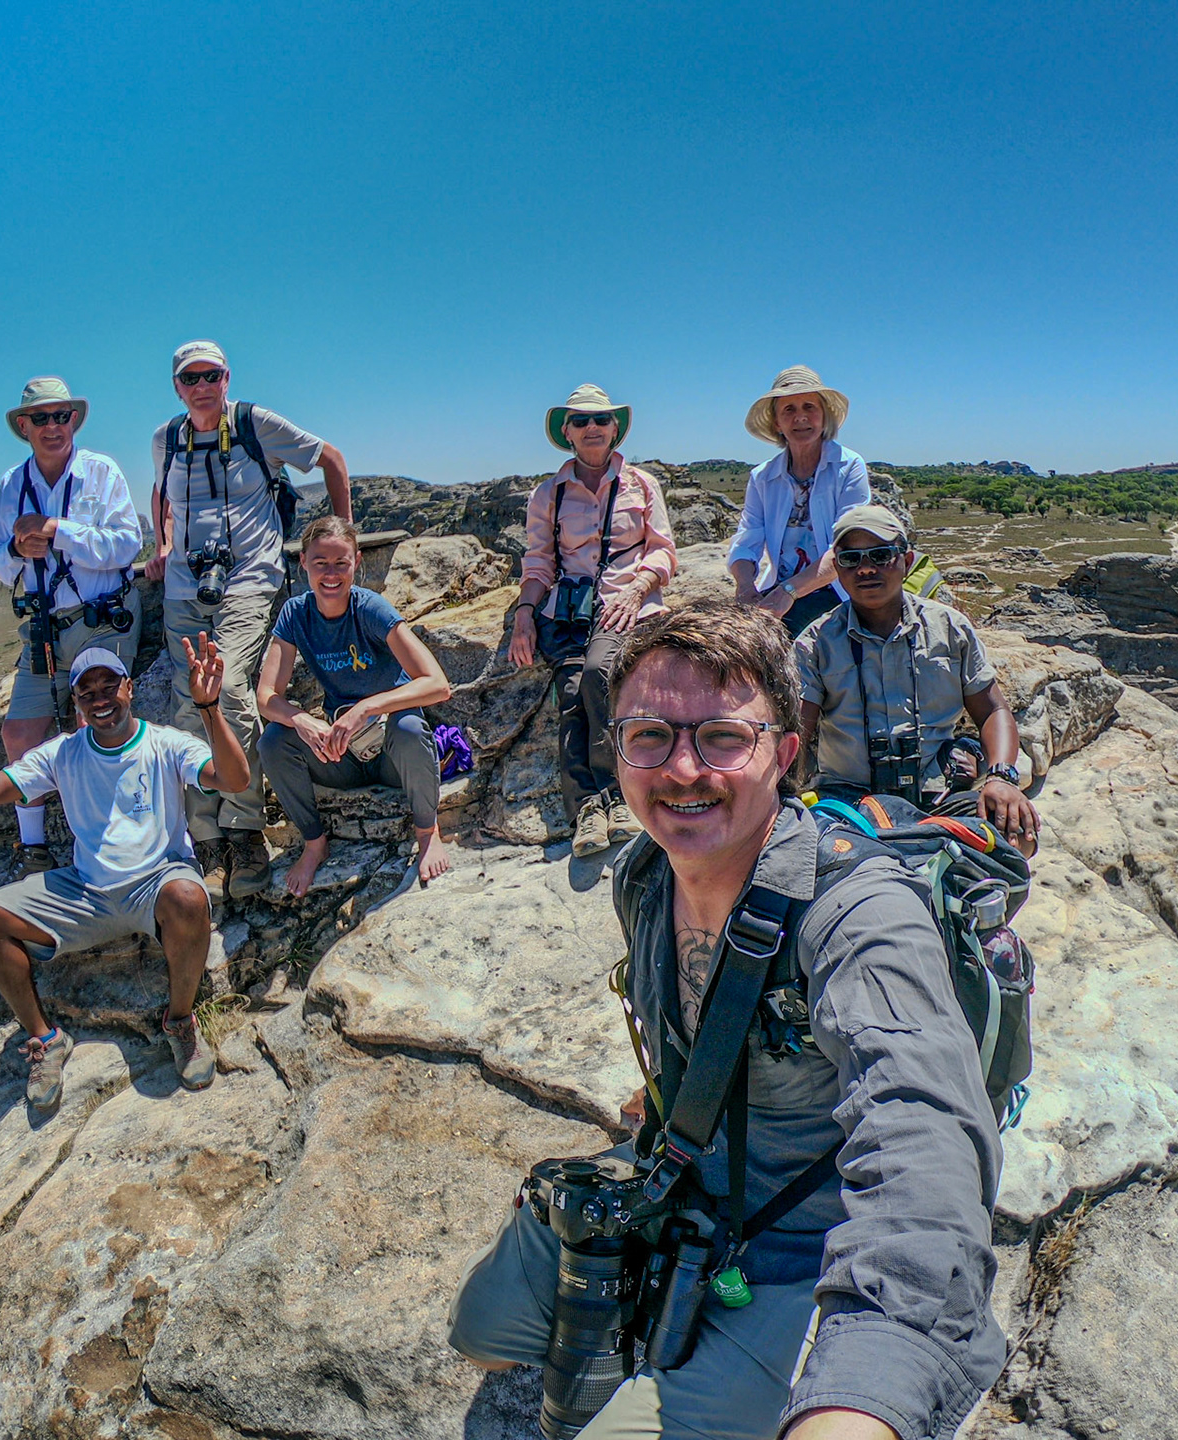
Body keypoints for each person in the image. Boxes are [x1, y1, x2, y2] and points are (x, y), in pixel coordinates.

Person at [448, 599, 1006, 1440]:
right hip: (678, 1178)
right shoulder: (644, 873)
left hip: (795, 1247)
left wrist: (866, 1392)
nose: (681, 770)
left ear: (784, 754)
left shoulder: (858, 914)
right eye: (649, 736)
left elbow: (923, 1128)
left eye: (721, 738)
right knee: (483, 1335)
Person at [0, 639, 250, 1108]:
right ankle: (45, 1040)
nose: (101, 699)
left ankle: (180, 1022)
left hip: (156, 884)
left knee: (188, 898)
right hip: (86, 891)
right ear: (77, 704)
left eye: (110, 685)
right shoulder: (62, 754)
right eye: (88, 693)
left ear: (129, 687)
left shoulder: (164, 743)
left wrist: (209, 708)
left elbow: (236, 780)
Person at [142, 340, 355, 903]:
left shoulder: (256, 423)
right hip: (186, 587)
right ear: (177, 387)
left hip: (249, 578)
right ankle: (206, 837)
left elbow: (330, 458)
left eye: (211, 375)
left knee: (231, 687)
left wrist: (343, 537)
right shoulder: (167, 438)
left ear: (227, 378)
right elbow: (162, 492)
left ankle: (244, 831)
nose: (201, 386)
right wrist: (163, 543)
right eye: (190, 379)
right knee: (188, 699)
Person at [796, 504, 1040, 853]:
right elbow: (797, 733)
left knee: (1016, 836)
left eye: (881, 555)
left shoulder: (949, 629)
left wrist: (1002, 778)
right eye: (851, 559)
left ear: (907, 561)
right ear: (837, 569)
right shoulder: (816, 642)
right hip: (849, 801)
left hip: (938, 793)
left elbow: (992, 711)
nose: (866, 568)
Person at [506, 384, 678, 859]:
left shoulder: (642, 485)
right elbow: (538, 563)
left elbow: (662, 551)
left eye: (600, 420)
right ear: (567, 432)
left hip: (625, 604)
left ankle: (618, 796)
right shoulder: (549, 493)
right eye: (580, 421)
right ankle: (587, 810)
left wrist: (639, 590)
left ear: (615, 428)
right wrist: (524, 615)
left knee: (601, 673)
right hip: (568, 610)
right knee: (570, 691)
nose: (592, 428)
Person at [0, 377, 145, 874]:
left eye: (61, 416)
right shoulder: (12, 485)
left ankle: (99, 839)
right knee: (19, 734)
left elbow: (127, 544)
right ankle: (32, 846)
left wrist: (59, 533)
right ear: (24, 426)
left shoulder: (102, 472)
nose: (53, 426)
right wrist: (15, 550)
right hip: (46, 628)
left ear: (73, 420)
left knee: (92, 721)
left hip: (102, 616)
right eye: (42, 418)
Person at [254, 517, 454, 896]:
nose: (331, 574)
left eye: (341, 563)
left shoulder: (370, 609)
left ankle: (428, 832)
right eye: (320, 564)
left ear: (356, 562)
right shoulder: (296, 615)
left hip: (394, 754)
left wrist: (366, 707)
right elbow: (266, 698)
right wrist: (300, 720)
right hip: (342, 754)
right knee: (274, 742)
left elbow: (437, 684)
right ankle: (315, 842)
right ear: (304, 564)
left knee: (410, 728)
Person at [727, 367, 872, 637]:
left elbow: (845, 548)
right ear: (776, 424)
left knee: (778, 636)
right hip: (782, 588)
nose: (801, 417)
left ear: (824, 415)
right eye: (788, 410)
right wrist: (746, 589)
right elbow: (746, 541)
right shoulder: (763, 478)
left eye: (809, 406)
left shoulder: (848, 466)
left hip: (835, 589)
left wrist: (788, 593)